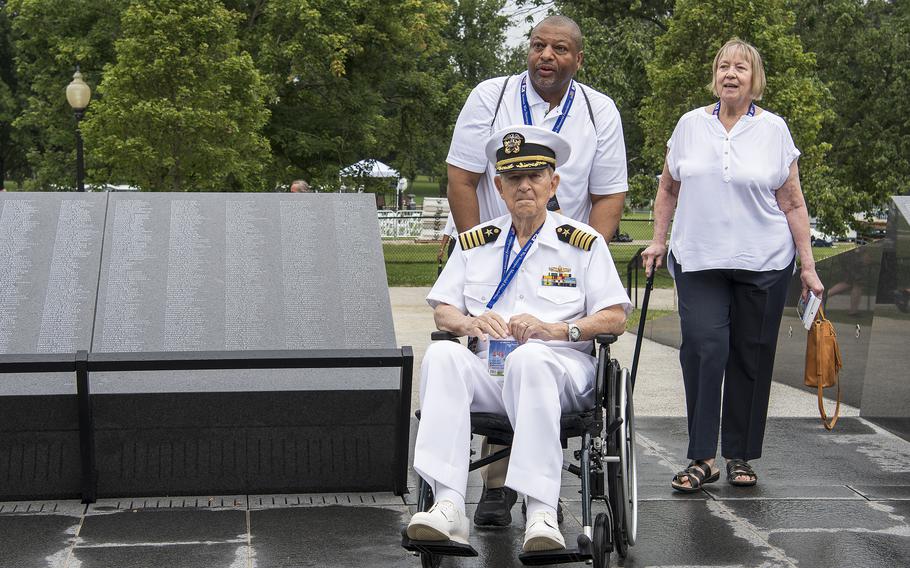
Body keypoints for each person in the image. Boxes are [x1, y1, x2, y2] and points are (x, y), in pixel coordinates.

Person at [406, 125, 631, 552]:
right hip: (491, 372)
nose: (524, 186)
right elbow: (442, 309)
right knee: (441, 357)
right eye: (513, 178)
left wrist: (557, 330)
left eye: (535, 176)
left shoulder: (582, 245)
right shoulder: (476, 243)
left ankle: (542, 510)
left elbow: (615, 317)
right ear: (499, 186)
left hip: (562, 370)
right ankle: (448, 506)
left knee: (531, 359)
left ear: (553, 183)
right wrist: (469, 324)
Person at [445, 14, 629, 525]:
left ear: (577, 58)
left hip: (559, 262)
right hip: (499, 254)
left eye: (560, 49)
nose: (547, 56)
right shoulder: (491, 96)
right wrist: (477, 250)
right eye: (538, 46)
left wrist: (581, 252)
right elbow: (462, 178)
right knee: (497, 353)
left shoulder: (599, 109)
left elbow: (609, 192)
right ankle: (497, 483)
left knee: (538, 359)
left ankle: (539, 498)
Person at [640, 39, 824, 492]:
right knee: (704, 347)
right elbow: (668, 189)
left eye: (741, 67)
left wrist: (808, 266)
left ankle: (740, 454)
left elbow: (793, 202)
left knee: (752, 354)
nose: (730, 73)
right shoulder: (688, 125)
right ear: (715, 75)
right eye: (723, 65)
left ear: (754, 78)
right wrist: (658, 240)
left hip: (764, 261)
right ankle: (703, 457)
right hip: (699, 259)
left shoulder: (775, 129)